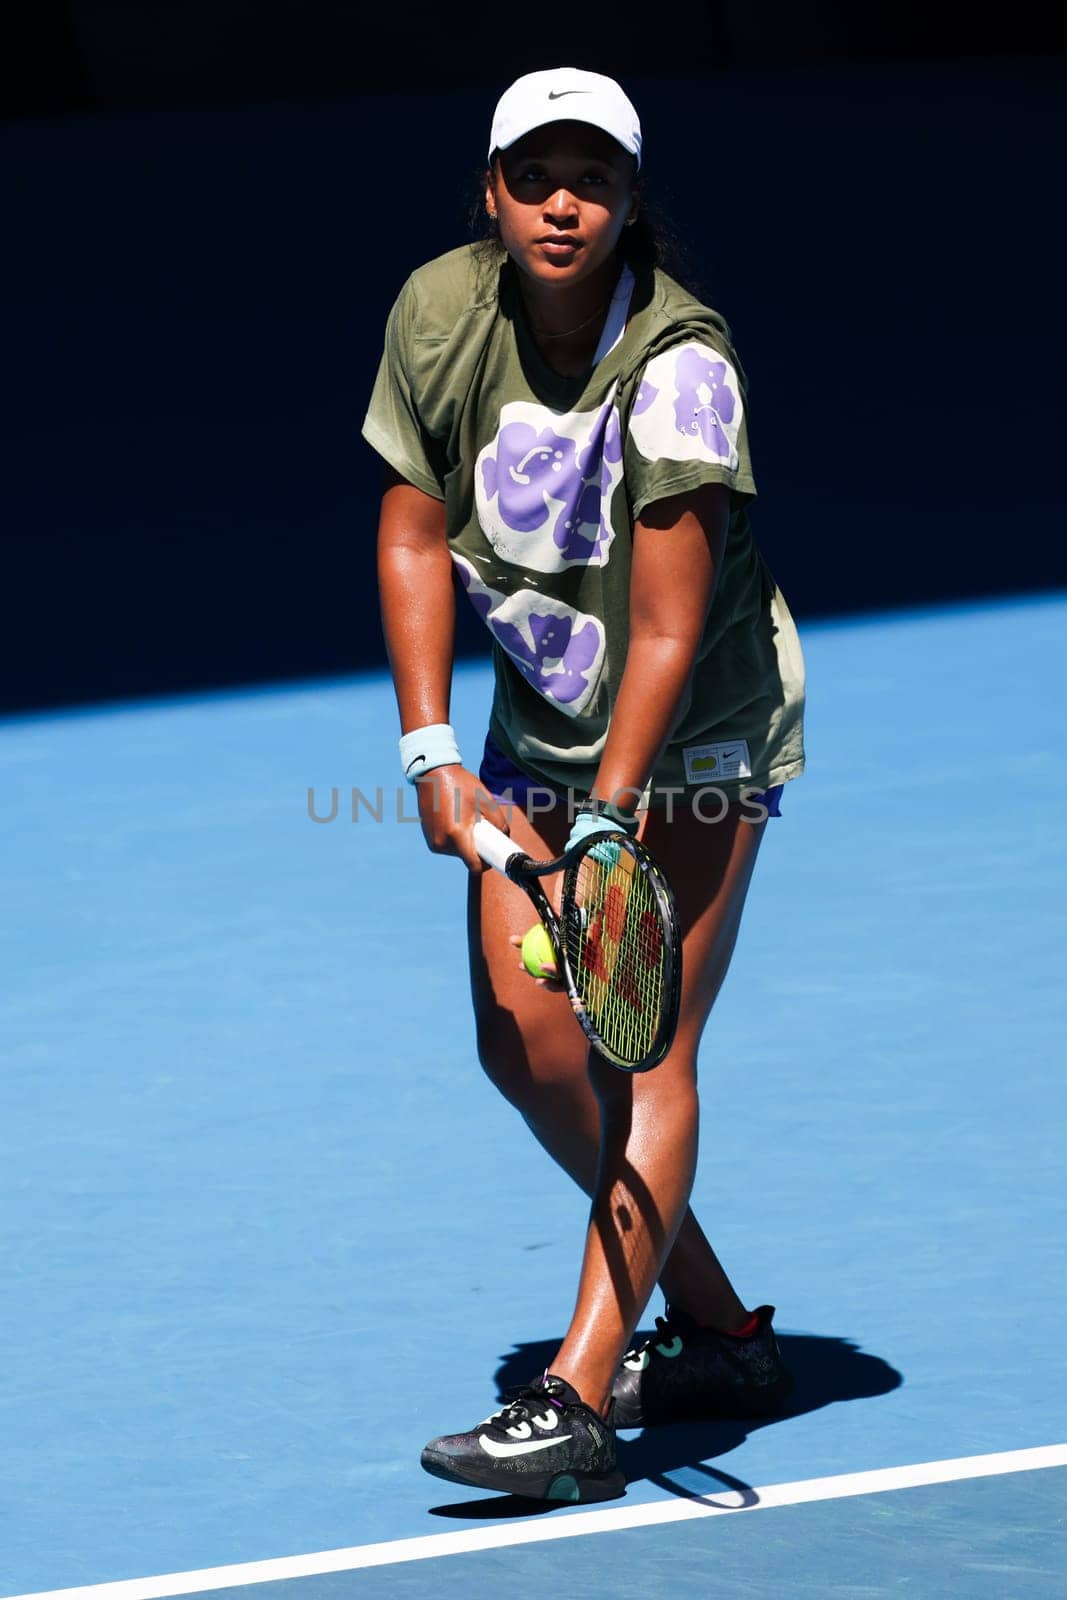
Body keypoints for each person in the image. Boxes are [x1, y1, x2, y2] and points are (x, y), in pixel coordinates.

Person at [364, 66, 806, 1504]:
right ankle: (724, 1331)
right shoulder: (442, 312)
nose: (566, 203)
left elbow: (672, 627)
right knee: (529, 1045)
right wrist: (432, 749)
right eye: (536, 177)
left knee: (644, 1054)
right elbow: (415, 531)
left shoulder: (681, 365)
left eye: (595, 181)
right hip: (537, 726)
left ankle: (572, 1404)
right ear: (492, 194)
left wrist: (612, 814)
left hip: (695, 737)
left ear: (629, 203)